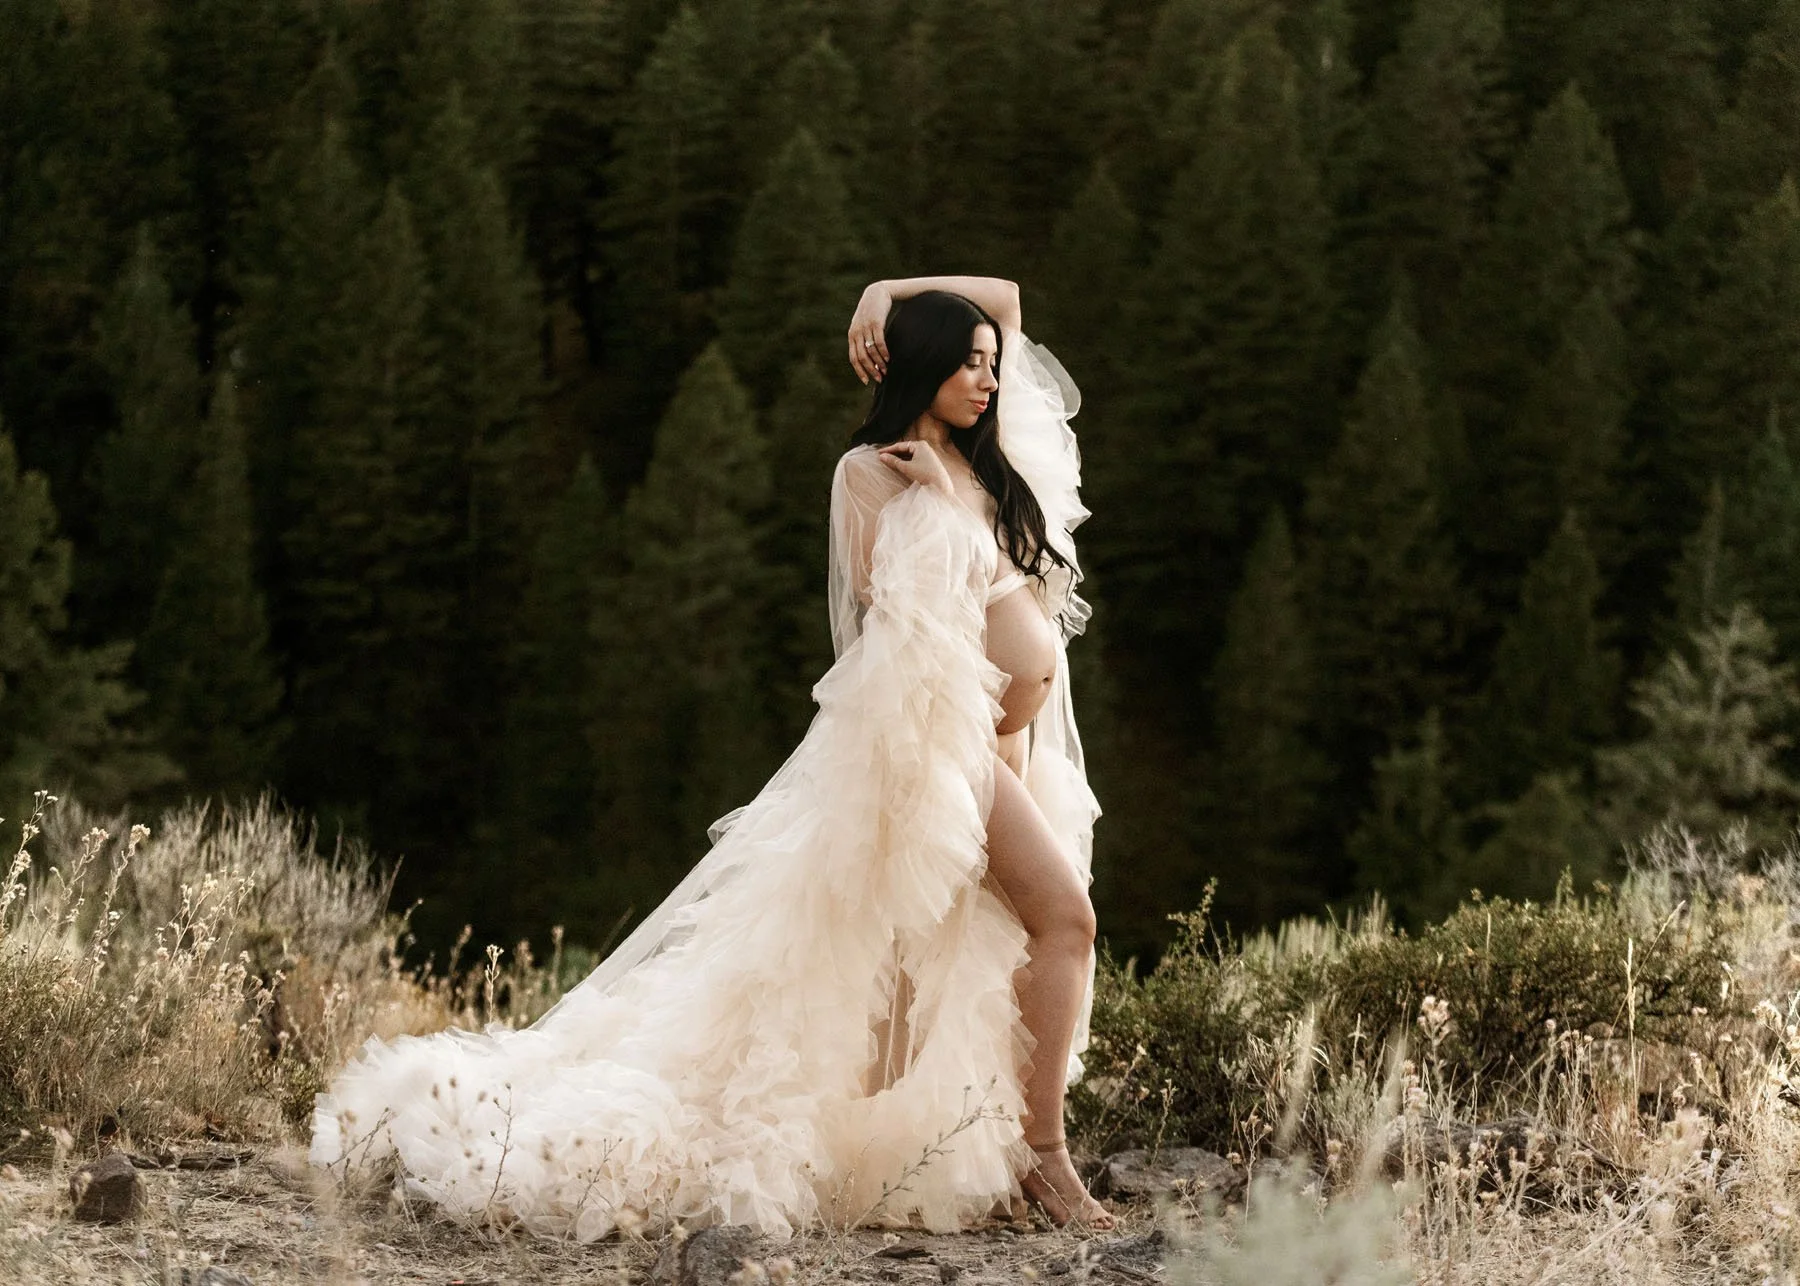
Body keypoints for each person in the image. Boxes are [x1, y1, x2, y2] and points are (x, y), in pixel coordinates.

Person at [309, 274, 1111, 1240]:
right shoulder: (872, 474)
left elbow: (1009, 299)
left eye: (990, 365)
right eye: (968, 364)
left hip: (1014, 748)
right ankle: (1046, 1159)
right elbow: (904, 636)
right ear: (923, 366)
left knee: (947, 980)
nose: (988, 378)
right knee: (1063, 919)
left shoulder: (991, 455)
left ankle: (977, 1150)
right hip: (941, 744)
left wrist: (882, 290)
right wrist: (935, 501)